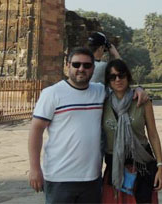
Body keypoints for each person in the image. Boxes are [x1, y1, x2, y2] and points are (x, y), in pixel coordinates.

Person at [28, 47, 147, 204]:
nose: (81, 69)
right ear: (67, 65)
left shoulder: (100, 92)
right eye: (76, 65)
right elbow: (36, 131)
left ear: (93, 68)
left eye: (87, 65)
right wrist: (35, 168)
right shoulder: (52, 94)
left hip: (91, 178)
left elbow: (121, 85)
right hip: (59, 177)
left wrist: (138, 89)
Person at [102, 60, 162, 204]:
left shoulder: (142, 101)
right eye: (113, 77)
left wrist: (160, 166)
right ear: (108, 81)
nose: (117, 79)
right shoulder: (102, 103)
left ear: (128, 77)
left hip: (142, 166)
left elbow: (153, 135)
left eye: (121, 75)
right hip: (115, 167)